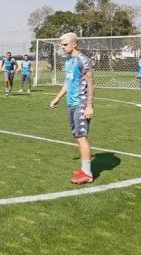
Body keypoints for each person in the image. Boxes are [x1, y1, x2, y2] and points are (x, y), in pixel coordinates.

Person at [49, 33, 95, 184]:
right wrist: (57, 98)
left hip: (81, 103)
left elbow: (91, 84)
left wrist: (89, 106)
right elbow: (68, 83)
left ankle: (87, 174)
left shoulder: (83, 60)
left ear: (74, 44)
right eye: (61, 44)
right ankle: (84, 167)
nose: (62, 47)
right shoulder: (68, 60)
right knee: (77, 135)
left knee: (81, 136)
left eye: (65, 44)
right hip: (71, 103)